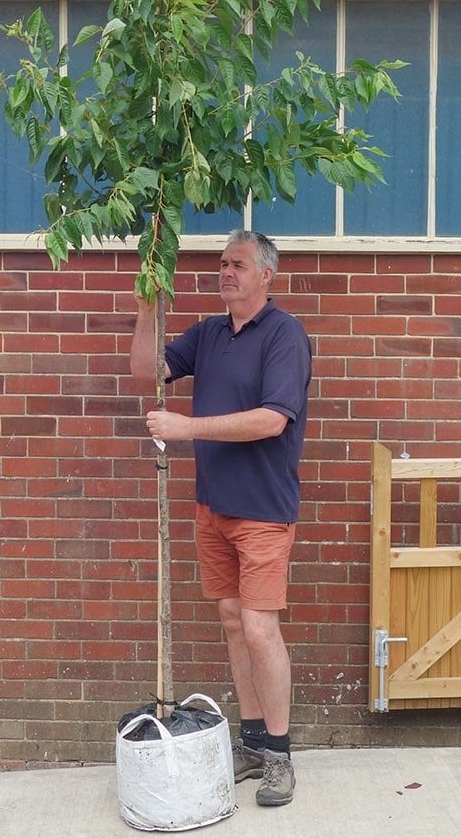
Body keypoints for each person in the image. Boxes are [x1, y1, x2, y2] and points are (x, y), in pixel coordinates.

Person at [130, 228, 312, 808]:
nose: (225, 271)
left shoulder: (285, 336)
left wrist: (188, 428)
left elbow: (271, 420)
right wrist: (147, 304)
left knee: (260, 627)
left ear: (267, 275)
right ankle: (254, 743)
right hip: (213, 507)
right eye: (221, 263)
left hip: (261, 510)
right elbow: (146, 373)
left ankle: (280, 755)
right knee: (234, 623)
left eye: (237, 264)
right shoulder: (208, 335)